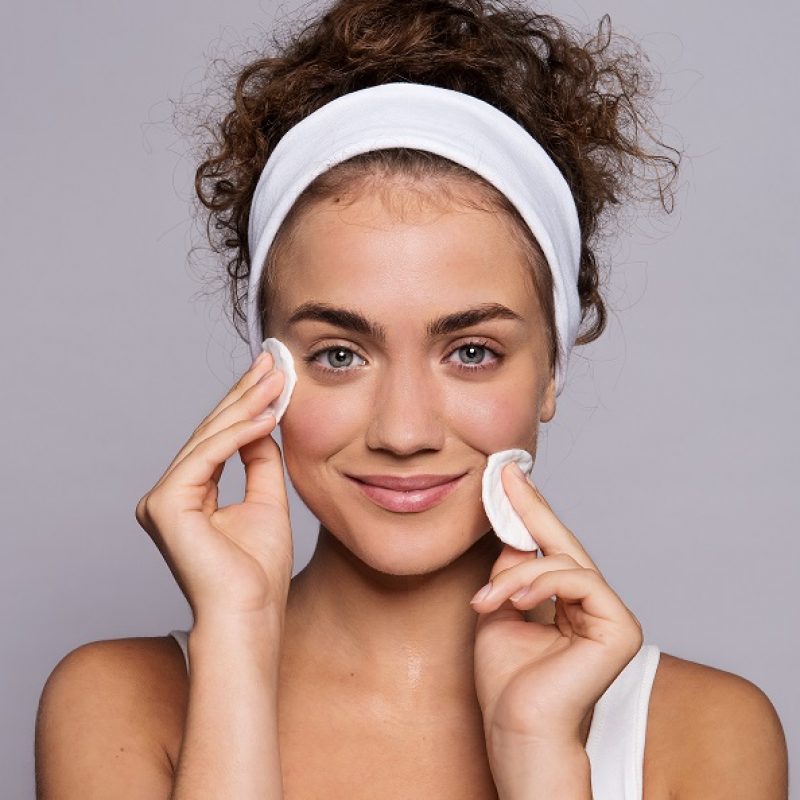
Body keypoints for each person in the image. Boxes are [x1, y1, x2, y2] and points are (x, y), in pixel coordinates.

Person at [34, 1, 788, 798]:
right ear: (266, 369)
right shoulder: (117, 704)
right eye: (339, 354)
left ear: (551, 371)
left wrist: (540, 761)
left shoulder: (706, 734)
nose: (404, 431)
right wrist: (238, 644)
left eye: (471, 352)